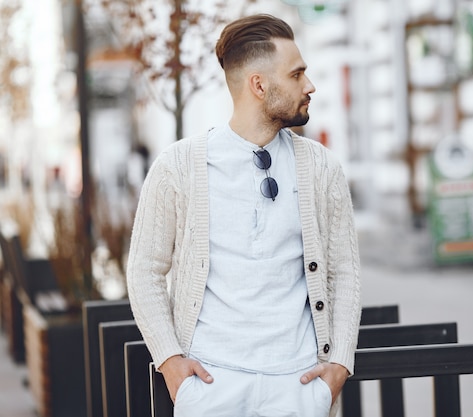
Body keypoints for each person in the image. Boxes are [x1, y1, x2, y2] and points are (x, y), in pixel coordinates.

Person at [126, 13, 361, 417]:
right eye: (297, 74)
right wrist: (169, 361)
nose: (310, 86)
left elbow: (344, 271)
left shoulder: (323, 168)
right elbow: (144, 269)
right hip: (210, 387)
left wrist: (338, 365)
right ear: (259, 84)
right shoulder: (177, 167)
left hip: (300, 386)